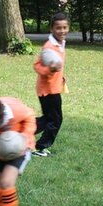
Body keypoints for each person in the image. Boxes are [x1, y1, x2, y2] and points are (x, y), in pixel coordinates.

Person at [32, 12, 70, 157]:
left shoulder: (59, 43)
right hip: (47, 90)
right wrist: (50, 69)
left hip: (53, 88)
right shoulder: (49, 47)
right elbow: (37, 66)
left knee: (49, 119)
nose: (62, 31)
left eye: (65, 27)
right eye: (58, 28)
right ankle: (40, 147)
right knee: (55, 119)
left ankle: (21, 131)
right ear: (51, 29)